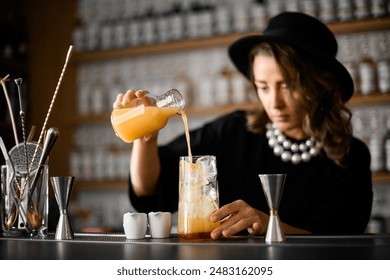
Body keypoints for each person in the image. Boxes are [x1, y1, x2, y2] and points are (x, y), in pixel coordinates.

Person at [113, 12, 373, 239]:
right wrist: (144, 135)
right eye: (263, 87)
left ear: (319, 85)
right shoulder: (233, 131)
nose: (275, 102)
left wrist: (268, 223)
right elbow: (149, 193)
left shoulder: (350, 158)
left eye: (288, 86)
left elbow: (339, 242)